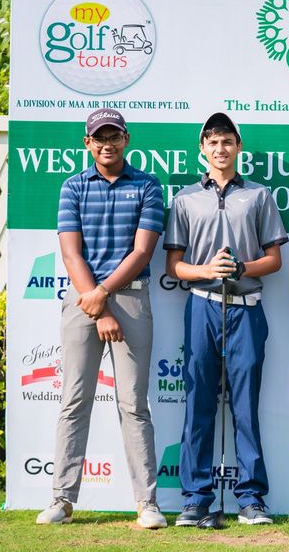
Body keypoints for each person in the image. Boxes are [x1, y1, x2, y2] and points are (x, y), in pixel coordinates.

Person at [37, 108, 166, 528]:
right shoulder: (73, 186)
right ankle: (62, 499)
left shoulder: (147, 185)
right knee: (74, 400)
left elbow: (142, 252)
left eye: (114, 136)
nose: (107, 144)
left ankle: (147, 503)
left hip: (128, 298)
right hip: (83, 300)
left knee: (134, 404)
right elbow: (71, 253)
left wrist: (103, 296)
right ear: (87, 143)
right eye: (99, 137)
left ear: (126, 139)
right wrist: (98, 305)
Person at [164, 112, 288, 526]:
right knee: (198, 402)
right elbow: (174, 265)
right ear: (202, 148)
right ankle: (196, 498)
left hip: (246, 308)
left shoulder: (258, 195)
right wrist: (206, 270)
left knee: (245, 406)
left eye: (227, 141)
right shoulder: (185, 199)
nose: (220, 148)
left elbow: (274, 260)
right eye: (213, 142)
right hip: (202, 305)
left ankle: (251, 498)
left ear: (238, 147)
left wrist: (240, 268)